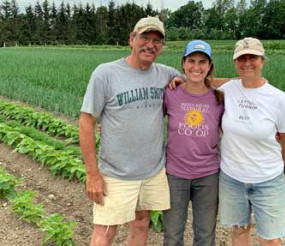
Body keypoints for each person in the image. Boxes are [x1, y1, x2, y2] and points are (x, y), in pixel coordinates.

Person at [79, 16, 182, 246]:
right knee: (104, 233)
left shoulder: (165, 73)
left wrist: (244, 83)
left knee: (141, 222)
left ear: (162, 47)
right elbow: (86, 122)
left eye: (157, 40)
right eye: (145, 37)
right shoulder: (105, 74)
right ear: (132, 40)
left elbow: (200, 82)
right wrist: (92, 173)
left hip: (152, 171)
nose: (150, 44)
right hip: (115, 173)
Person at [217, 37, 285, 246]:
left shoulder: (278, 99)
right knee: (239, 231)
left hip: (267, 179)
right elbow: (203, 80)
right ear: (235, 62)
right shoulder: (228, 89)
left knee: (270, 239)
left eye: (253, 57)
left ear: (262, 61)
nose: (247, 63)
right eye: (241, 58)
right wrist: (179, 79)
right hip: (232, 178)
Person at [162, 40, 224, 246]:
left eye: (202, 62)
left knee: (205, 236)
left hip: (208, 175)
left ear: (209, 67)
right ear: (183, 63)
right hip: (175, 174)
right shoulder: (170, 93)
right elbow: (147, 119)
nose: (196, 67)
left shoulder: (218, 98)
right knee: (172, 235)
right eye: (191, 61)